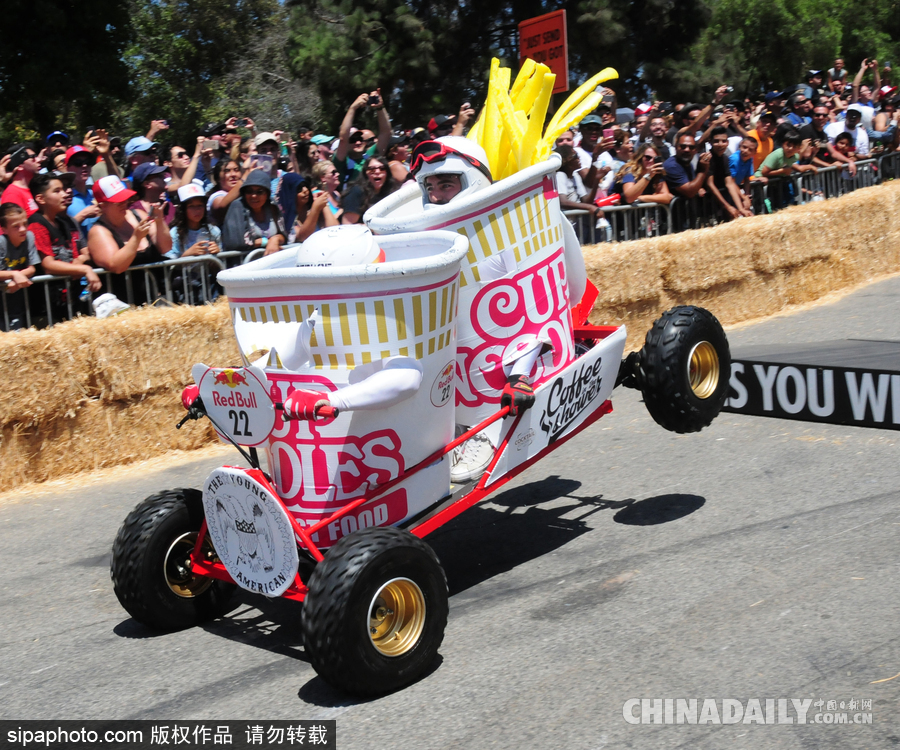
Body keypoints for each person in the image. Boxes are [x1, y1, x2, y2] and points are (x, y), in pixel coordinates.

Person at [88, 174, 171, 306]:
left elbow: (165, 247)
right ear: (103, 206)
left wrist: (160, 221)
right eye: (118, 202)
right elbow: (116, 266)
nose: (124, 204)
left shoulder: (138, 214)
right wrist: (136, 239)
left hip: (154, 299)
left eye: (125, 199)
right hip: (123, 305)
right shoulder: (98, 231)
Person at [28, 173, 102, 309]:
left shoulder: (64, 222)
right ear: (40, 198)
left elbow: (81, 254)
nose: (64, 194)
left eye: (63, 189)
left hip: (71, 296)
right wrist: (84, 269)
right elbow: (48, 265)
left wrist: (80, 261)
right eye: (57, 191)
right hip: (47, 304)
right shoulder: (36, 224)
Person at [221, 170, 287, 256]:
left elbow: (284, 235)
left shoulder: (272, 206)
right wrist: (266, 242)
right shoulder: (237, 206)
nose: (254, 196)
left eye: (259, 192)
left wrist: (275, 239)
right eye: (249, 191)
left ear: (267, 194)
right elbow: (235, 242)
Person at [0, 203, 40, 331]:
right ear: (4, 229)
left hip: (15, 302)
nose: (23, 229)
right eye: (16, 226)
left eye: (25, 224)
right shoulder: (1, 242)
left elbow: (32, 267)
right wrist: (14, 275)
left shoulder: (29, 237)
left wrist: (16, 277)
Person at [706, 127, 752, 219]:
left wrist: (740, 208)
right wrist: (727, 206)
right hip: (709, 205)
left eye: (723, 141)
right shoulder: (707, 159)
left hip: (723, 202)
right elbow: (710, 185)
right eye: (716, 141)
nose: (720, 144)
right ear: (710, 142)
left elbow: (730, 184)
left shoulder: (725, 158)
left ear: (728, 143)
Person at [800, 105, 858, 176]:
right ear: (812, 116)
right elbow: (808, 156)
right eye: (817, 115)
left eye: (824, 115)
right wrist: (829, 166)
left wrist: (849, 161)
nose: (821, 118)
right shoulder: (807, 130)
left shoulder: (823, 134)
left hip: (819, 173)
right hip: (808, 173)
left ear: (827, 117)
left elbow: (833, 153)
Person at [167, 184, 222, 260]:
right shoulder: (175, 234)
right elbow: (170, 266)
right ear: (183, 209)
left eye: (200, 205)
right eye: (191, 206)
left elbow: (221, 263)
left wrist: (217, 254)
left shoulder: (214, 231)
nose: (197, 210)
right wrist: (187, 254)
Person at [340, 156, 399, 224]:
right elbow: (348, 226)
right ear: (365, 173)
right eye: (372, 169)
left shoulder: (392, 192)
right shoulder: (356, 192)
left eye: (382, 168)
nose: (377, 172)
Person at [65, 147, 102, 241]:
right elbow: (61, 232)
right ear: (67, 168)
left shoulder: (95, 194)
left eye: (88, 162)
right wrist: (84, 215)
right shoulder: (64, 198)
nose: (84, 165)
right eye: (78, 163)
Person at [664, 133, 710, 200]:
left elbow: (691, 185)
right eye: (683, 146)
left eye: (691, 147)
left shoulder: (687, 163)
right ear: (676, 147)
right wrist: (702, 171)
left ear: (695, 150)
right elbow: (690, 192)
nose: (687, 150)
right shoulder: (671, 166)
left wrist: (698, 188)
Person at [292, 178, 338, 242]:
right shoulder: (290, 221)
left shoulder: (318, 213)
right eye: (299, 189)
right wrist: (315, 208)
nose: (305, 190)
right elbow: (303, 238)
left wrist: (324, 205)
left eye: (306, 186)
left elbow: (335, 231)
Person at [1, 144, 42, 215]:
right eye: (33, 157)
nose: (39, 160)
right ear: (20, 166)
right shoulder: (12, 194)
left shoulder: (32, 188)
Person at [206, 158, 247, 227]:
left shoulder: (245, 194)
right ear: (218, 178)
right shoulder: (217, 196)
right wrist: (245, 178)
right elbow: (222, 207)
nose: (233, 174)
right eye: (227, 171)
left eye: (236, 170)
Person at [729, 136, 757, 211]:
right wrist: (743, 197)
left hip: (736, 189)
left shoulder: (750, 159)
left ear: (754, 152)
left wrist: (747, 195)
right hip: (728, 190)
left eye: (750, 150)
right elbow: (731, 182)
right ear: (740, 145)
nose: (746, 151)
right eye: (744, 147)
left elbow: (747, 179)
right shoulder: (735, 159)